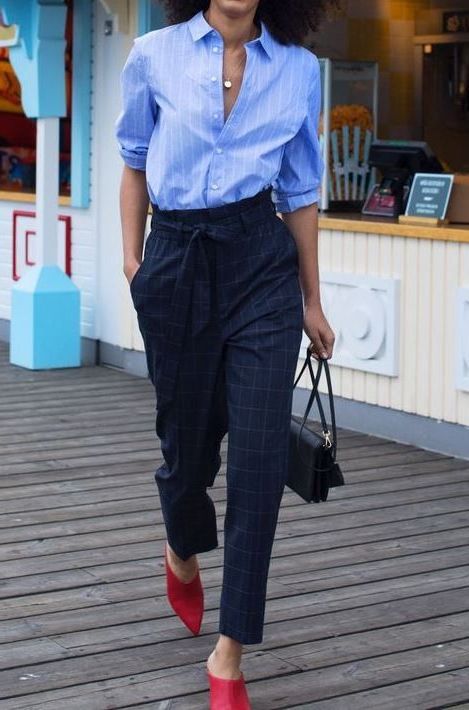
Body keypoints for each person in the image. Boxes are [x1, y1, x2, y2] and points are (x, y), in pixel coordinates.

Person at [115, 0, 335, 707]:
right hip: (176, 257)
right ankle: (181, 547)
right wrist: (133, 263)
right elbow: (133, 163)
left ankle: (230, 653)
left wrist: (310, 300)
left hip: (259, 265)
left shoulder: (300, 71)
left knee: (260, 458)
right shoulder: (153, 53)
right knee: (187, 449)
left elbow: (300, 191)